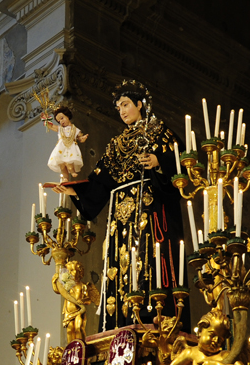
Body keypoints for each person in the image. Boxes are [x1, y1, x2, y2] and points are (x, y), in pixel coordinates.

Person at [52, 80, 187, 333]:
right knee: (119, 266)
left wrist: (158, 161)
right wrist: (75, 190)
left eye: (125, 105)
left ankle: (155, 319)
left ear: (140, 104)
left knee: (148, 262)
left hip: (149, 212)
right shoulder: (117, 143)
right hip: (120, 220)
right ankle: (121, 325)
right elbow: (100, 182)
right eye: (118, 108)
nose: (122, 111)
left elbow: (181, 160)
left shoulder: (159, 132)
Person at [44, 105, 87, 182]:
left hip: (71, 147)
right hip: (61, 148)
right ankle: (65, 178)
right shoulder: (60, 129)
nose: (61, 122)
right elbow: (51, 126)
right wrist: (46, 119)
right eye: (59, 121)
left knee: (69, 161)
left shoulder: (75, 129)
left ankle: (72, 171)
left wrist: (82, 138)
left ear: (67, 116)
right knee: (62, 165)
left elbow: (80, 138)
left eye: (62, 118)